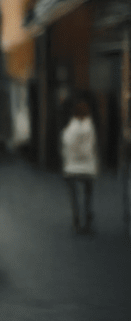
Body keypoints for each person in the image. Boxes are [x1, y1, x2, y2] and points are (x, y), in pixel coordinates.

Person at [61, 99, 98, 235]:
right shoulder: (90, 127)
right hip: (88, 168)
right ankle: (87, 222)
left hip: (72, 168)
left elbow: (66, 144)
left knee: (74, 197)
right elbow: (92, 148)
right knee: (88, 196)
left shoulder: (70, 128)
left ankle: (76, 222)